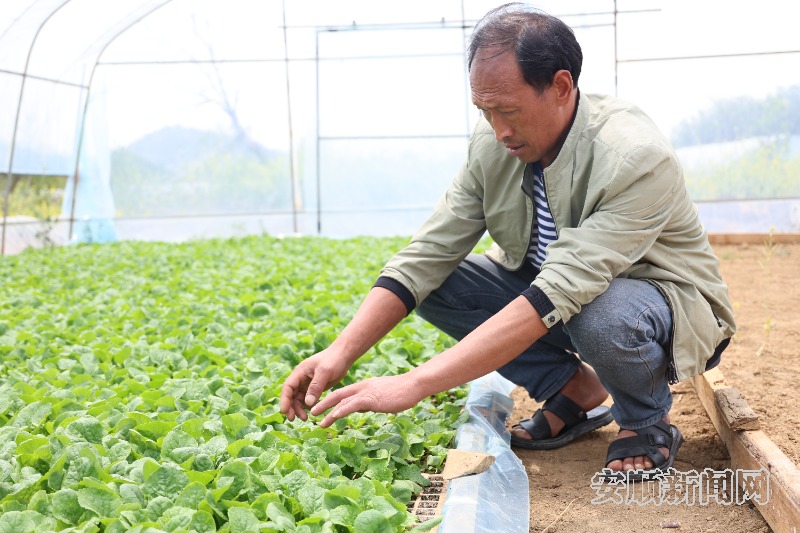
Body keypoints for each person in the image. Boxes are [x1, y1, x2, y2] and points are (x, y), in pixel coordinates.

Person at [280, 3, 735, 477]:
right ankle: (572, 387)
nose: (499, 130)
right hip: (558, 299)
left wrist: (414, 383)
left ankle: (645, 420)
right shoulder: (493, 143)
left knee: (601, 314)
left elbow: (562, 288)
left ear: (561, 87)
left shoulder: (634, 155)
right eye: (485, 110)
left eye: (509, 110)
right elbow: (427, 254)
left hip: (660, 306)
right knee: (437, 283)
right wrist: (339, 352)